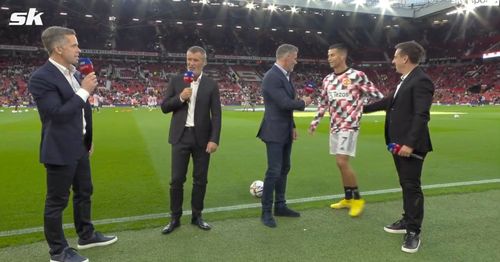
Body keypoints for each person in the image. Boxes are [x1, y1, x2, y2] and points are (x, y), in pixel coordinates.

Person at [28, 26, 117, 262]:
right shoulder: (41, 77)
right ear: (58, 48)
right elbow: (56, 114)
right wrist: (84, 91)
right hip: (58, 149)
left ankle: (86, 235)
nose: (79, 49)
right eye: (74, 45)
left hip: (79, 146)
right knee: (57, 202)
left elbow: (82, 112)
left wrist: (87, 138)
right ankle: (58, 252)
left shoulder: (74, 73)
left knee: (84, 192)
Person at [363, 40, 434, 253]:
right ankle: (406, 220)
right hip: (398, 144)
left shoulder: (421, 81)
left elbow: (422, 115)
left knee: (412, 186)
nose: (393, 60)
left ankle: (413, 232)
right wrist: (360, 109)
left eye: (395, 56)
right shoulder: (405, 80)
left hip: (409, 146)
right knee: (405, 183)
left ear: (405, 58)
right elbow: (388, 102)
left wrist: (410, 144)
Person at [308, 44, 384, 217]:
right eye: (328, 55)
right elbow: (323, 102)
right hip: (334, 125)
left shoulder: (357, 76)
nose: (329, 58)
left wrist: (359, 107)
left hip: (349, 125)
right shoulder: (327, 79)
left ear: (342, 56)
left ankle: (357, 199)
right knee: (339, 163)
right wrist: (315, 122)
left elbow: (377, 96)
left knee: (342, 162)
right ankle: (348, 198)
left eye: (332, 55)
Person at [160, 46, 221, 234]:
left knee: (200, 180)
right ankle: (175, 218)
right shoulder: (177, 81)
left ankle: (197, 216)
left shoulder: (211, 85)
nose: (191, 63)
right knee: (176, 180)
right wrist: (180, 97)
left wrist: (214, 139)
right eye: (189, 59)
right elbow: (164, 107)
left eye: (195, 60)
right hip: (180, 137)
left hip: (203, 139)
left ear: (204, 62)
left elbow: (217, 115)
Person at [256, 44, 312, 228]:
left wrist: (293, 125)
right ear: (286, 57)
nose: (296, 61)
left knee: (284, 168)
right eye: (295, 57)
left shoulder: (284, 76)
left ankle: (280, 205)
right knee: (273, 171)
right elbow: (283, 103)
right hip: (273, 131)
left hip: (284, 129)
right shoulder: (272, 76)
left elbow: (285, 107)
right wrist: (303, 102)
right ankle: (266, 211)